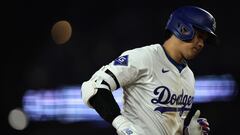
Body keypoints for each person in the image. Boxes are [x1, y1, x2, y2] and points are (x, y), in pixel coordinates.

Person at [81, 5, 216, 135]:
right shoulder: (145, 57)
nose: (201, 44)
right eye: (199, 36)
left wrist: (187, 132)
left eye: (204, 40)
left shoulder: (189, 76)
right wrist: (121, 124)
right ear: (183, 29)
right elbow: (94, 87)